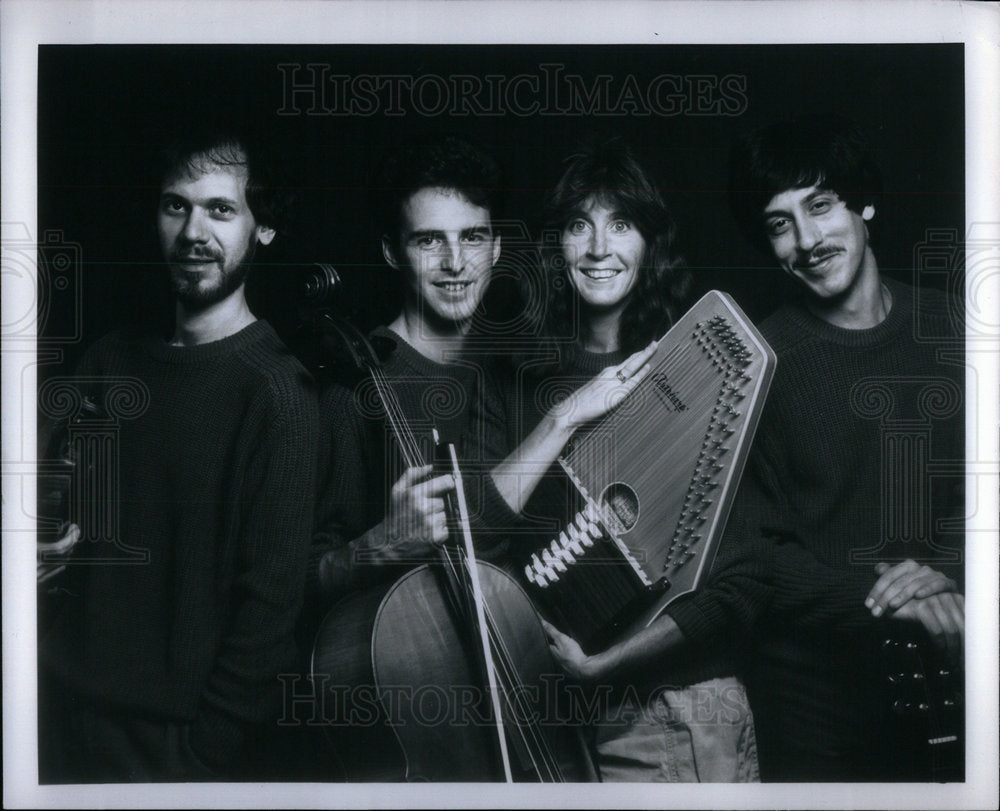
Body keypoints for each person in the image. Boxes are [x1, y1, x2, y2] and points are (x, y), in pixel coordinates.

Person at [471, 140, 767, 782]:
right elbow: (478, 541)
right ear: (556, 246)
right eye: (580, 225)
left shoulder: (702, 378)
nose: (600, 248)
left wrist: (608, 665)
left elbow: (740, 583)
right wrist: (563, 418)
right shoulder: (513, 379)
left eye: (622, 224)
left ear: (649, 243)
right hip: (544, 717)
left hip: (672, 710)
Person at [37, 129, 319, 782]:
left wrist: (197, 758)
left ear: (264, 228)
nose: (193, 231)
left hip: (168, 752)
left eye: (221, 209)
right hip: (54, 717)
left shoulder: (278, 393)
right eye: (175, 205)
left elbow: (269, 618)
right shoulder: (108, 361)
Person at [726, 114, 965, 781]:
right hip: (811, 706)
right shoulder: (756, 362)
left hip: (955, 677)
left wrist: (954, 573)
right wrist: (895, 601)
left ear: (863, 202)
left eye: (820, 206)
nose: (806, 239)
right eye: (779, 224)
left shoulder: (953, 328)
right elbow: (753, 557)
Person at [306, 134, 503, 609]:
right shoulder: (354, 390)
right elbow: (301, 583)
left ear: (496, 248)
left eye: (472, 237)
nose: (455, 263)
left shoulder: (513, 369)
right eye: (429, 240)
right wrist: (379, 546)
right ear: (393, 252)